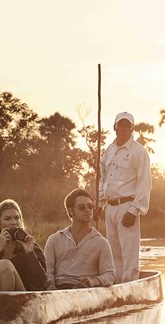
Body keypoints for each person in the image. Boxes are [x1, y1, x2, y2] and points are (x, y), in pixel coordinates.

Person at [97, 111, 151, 283]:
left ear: (132, 128)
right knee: (113, 254)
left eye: (128, 126)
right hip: (110, 208)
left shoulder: (139, 152)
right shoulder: (109, 151)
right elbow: (103, 179)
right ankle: (117, 288)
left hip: (127, 207)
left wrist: (135, 210)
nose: (124, 129)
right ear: (115, 127)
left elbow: (144, 183)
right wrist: (99, 204)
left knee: (129, 254)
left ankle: (129, 288)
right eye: (121, 125)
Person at [44, 188, 115, 290]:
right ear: (71, 211)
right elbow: (47, 271)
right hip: (57, 291)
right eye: (82, 207)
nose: (87, 210)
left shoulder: (102, 243)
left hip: (85, 292)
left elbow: (110, 275)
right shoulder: (54, 240)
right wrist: (50, 285)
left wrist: (94, 281)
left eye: (90, 207)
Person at [0, 199, 47, 291]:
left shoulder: (32, 247)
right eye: (7, 219)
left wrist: (30, 253)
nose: (13, 222)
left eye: (17, 218)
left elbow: (41, 283)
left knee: (4, 264)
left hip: (24, 298)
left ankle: (5, 304)